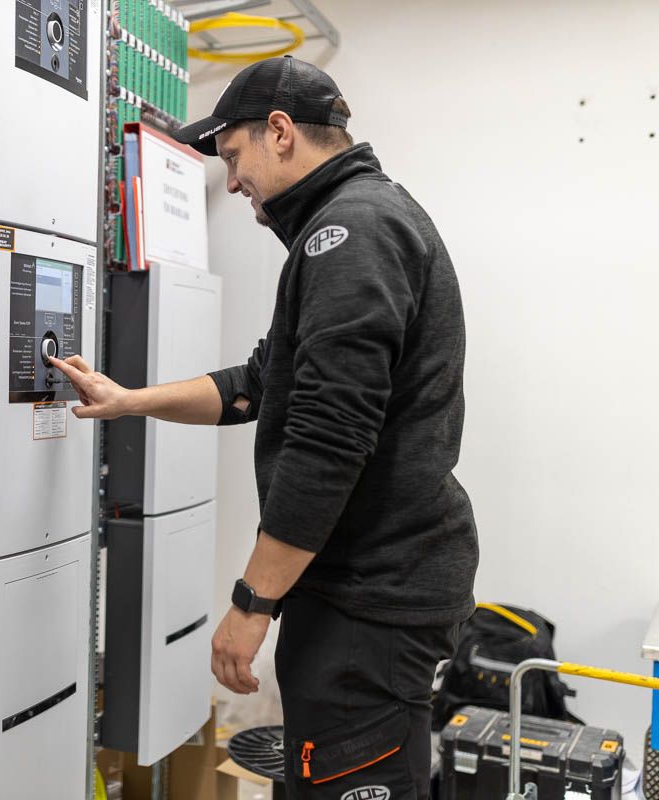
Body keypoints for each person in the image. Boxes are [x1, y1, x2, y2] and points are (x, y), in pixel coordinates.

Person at [49, 55, 478, 799]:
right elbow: (259, 384)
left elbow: (328, 442)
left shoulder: (351, 233)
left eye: (233, 156)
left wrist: (252, 603)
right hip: (362, 589)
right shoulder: (350, 222)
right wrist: (129, 400)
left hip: (370, 596)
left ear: (280, 132)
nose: (232, 183)